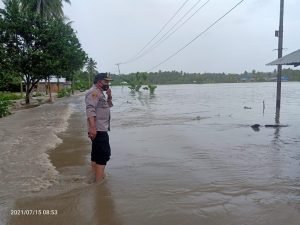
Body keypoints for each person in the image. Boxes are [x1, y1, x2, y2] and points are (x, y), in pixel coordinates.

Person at [85, 72, 113, 182]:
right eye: (106, 81)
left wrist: (109, 96)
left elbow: (107, 106)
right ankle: (98, 183)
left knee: (96, 153)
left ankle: (94, 175)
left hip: (99, 128)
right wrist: (92, 128)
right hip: (98, 129)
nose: (108, 83)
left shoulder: (100, 93)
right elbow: (90, 109)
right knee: (103, 154)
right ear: (99, 81)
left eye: (109, 81)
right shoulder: (94, 92)